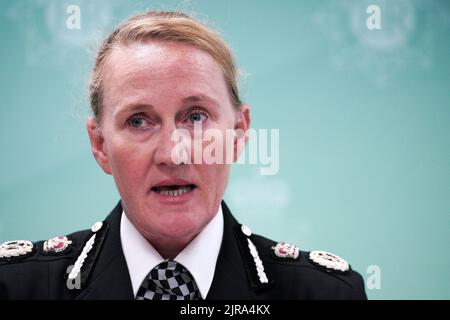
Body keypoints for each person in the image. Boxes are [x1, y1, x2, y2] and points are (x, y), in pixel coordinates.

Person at [0, 11, 367, 300]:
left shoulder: (325, 293)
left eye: (195, 117)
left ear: (238, 133)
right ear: (100, 146)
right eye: (138, 120)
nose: (172, 153)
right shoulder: (16, 287)